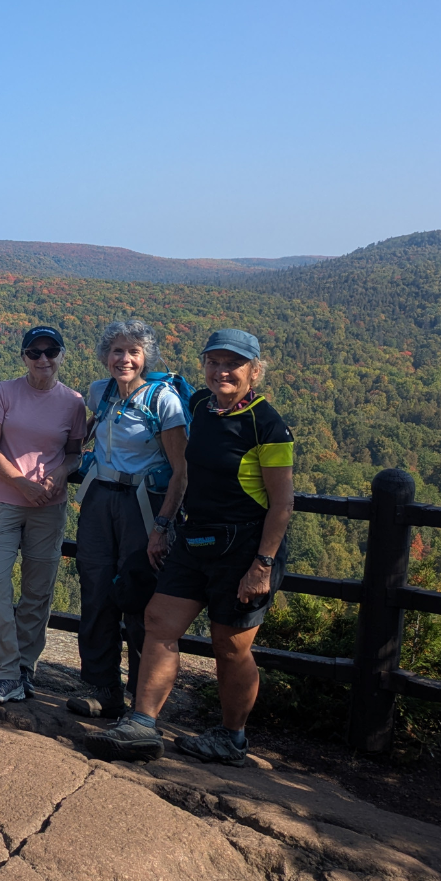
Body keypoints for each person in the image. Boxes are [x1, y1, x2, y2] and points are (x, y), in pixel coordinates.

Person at [88, 329, 294, 767]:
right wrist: (163, 525)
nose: (222, 371)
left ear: (254, 372)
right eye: (214, 362)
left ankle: (232, 737)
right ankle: (141, 724)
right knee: (159, 620)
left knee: (230, 647)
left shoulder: (268, 426)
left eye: (233, 364)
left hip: (245, 546)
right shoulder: (199, 405)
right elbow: (180, 470)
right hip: (194, 536)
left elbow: (282, 503)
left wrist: (262, 564)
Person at [66, 321, 189, 720]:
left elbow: (181, 471)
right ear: (106, 356)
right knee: (96, 591)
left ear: (145, 358)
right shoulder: (99, 392)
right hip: (100, 497)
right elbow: (86, 436)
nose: (125, 359)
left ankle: (142, 700)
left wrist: (163, 526)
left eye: (134, 352)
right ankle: (102, 687)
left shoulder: (163, 400)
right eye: (117, 351)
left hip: (144, 502)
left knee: (139, 597)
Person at [0, 325, 87, 704]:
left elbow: (74, 453)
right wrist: (21, 483)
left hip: (49, 508)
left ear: (60, 355)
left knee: (38, 592)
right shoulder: (4, 392)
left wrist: (60, 474)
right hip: (4, 502)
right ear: (23, 356)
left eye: (50, 351)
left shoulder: (73, 401)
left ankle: (25, 667)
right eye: (34, 352)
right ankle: (5, 672)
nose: (43, 359)